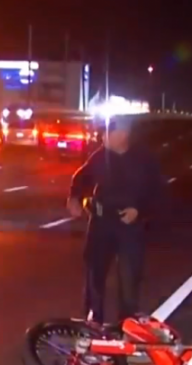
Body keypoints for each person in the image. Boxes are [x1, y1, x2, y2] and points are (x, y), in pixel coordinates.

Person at [67, 117, 162, 323]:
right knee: (94, 274)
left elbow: (158, 191)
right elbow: (82, 177)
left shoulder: (145, 160)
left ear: (123, 135)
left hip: (130, 226)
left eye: (108, 134)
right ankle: (93, 320)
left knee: (129, 277)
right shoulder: (100, 157)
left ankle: (126, 325)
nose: (103, 137)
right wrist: (74, 196)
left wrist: (140, 210)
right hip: (101, 223)